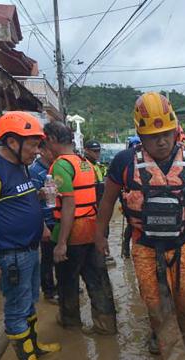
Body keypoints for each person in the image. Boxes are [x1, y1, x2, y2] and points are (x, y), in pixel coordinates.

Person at [95, 92, 185, 360]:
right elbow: (107, 201)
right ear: (140, 136)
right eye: (152, 136)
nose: (161, 141)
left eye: (166, 134)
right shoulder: (124, 162)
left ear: (175, 130)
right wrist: (99, 236)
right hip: (146, 246)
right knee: (157, 305)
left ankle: (170, 340)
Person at [0, 111, 60, 360]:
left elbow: (18, 200)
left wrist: (41, 212)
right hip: (10, 255)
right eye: (32, 144)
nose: (37, 151)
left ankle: (33, 347)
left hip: (29, 249)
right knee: (16, 308)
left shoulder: (20, 166)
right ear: (12, 142)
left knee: (29, 302)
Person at [45, 121, 117, 335]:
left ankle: (71, 323)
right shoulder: (85, 163)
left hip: (73, 231)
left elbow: (68, 203)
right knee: (98, 279)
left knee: (67, 281)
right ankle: (106, 326)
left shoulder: (60, 165)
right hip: (92, 229)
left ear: (52, 140)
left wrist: (62, 243)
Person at [29, 139, 59, 304]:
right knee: (47, 257)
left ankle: (61, 285)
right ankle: (48, 290)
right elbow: (30, 201)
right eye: (50, 150)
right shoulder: (34, 171)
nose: (54, 152)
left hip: (58, 218)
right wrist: (42, 227)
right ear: (42, 151)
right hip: (46, 220)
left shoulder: (57, 167)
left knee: (60, 255)